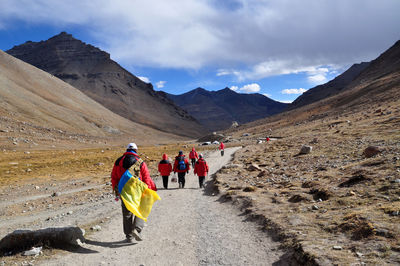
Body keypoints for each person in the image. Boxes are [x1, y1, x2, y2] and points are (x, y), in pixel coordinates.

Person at [111, 143, 157, 243]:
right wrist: (148, 189)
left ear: (127, 150)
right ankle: (137, 229)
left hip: (123, 190)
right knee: (141, 209)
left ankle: (129, 236)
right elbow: (146, 177)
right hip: (137, 190)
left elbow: (114, 176)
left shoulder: (118, 161)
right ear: (136, 150)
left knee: (127, 213)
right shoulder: (140, 161)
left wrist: (115, 189)